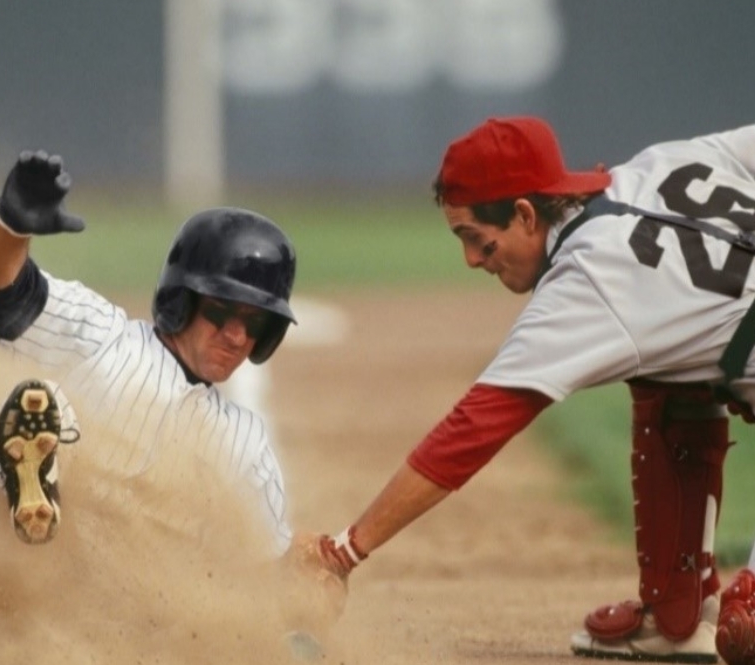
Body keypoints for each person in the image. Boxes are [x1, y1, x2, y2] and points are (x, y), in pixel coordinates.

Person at [298, 117, 755, 664]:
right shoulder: (671, 161)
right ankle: (675, 619)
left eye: (475, 238)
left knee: (746, 629)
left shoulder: (587, 280)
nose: (471, 260)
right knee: (668, 380)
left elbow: (472, 430)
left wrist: (342, 553)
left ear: (523, 214)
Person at [0, 149, 298, 556]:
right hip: (12, 557)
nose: (235, 335)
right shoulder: (101, 336)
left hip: (118, 602)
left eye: (255, 323)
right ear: (182, 299)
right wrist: (11, 227)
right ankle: (31, 490)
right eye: (221, 311)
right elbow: (1, 291)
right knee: (38, 404)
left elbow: (268, 570)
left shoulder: (246, 443)